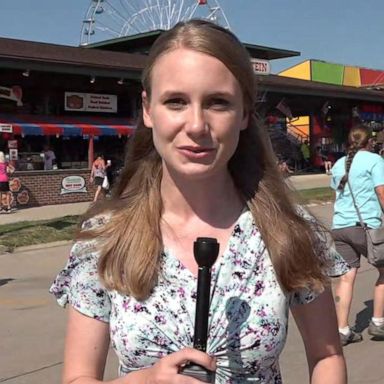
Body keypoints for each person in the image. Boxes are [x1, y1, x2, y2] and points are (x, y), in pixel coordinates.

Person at [50, 20, 347, 384]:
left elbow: (326, 355)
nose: (195, 125)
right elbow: (77, 377)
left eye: (217, 103)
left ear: (243, 113)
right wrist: (144, 381)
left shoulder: (289, 229)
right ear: (148, 109)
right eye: (175, 101)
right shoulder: (104, 237)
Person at [330, 124, 384, 346]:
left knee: (345, 277)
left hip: (339, 227)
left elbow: (337, 194)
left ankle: (342, 330)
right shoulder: (374, 161)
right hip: (365, 227)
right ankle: (378, 322)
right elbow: (382, 192)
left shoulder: (338, 164)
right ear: (369, 141)